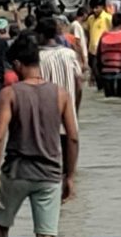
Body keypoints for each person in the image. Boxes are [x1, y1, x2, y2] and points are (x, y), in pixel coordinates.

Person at [0, 32, 78, 237]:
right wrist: (70, 176)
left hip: (16, 173)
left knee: (1, 227)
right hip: (49, 174)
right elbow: (73, 137)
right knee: (46, 233)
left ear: (18, 64)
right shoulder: (60, 93)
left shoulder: (9, 93)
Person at [36, 19, 82, 171]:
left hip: (45, 116)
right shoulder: (70, 54)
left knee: (49, 166)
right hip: (68, 112)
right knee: (70, 169)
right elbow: (79, 84)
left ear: (40, 35)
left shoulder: (38, 58)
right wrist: (76, 106)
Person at [97, 13, 121, 98]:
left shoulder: (103, 36)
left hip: (107, 73)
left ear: (112, 22)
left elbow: (98, 54)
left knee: (108, 101)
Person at [86, 0, 111, 91]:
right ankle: (101, 88)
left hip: (103, 50)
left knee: (100, 72)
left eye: (96, 8)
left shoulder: (108, 18)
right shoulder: (90, 19)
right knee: (96, 71)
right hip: (92, 50)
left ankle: (104, 89)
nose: (94, 10)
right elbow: (89, 34)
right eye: (93, 8)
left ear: (102, 7)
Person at [69, 8, 89, 73]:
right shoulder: (76, 25)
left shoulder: (76, 25)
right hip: (79, 56)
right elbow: (77, 42)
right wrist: (83, 59)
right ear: (84, 14)